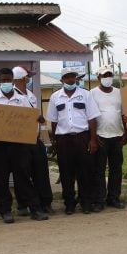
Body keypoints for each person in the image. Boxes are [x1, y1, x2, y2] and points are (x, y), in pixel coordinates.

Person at [0, 68, 48, 223]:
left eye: (8, 80)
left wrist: (39, 120)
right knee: (1, 179)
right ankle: (5, 211)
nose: (6, 83)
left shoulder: (23, 99)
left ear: (13, 80)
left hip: (19, 145)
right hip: (0, 145)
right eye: (3, 80)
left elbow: (32, 117)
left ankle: (34, 209)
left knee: (23, 177)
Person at [46, 67, 100, 214]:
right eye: (67, 77)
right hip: (64, 140)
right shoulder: (55, 97)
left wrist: (93, 139)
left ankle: (86, 202)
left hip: (82, 137)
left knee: (85, 172)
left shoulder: (86, 95)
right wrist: (55, 142)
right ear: (61, 80)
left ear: (76, 78)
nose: (70, 80)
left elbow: (92, 118)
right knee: (66, 173)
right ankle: (69, 203)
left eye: (73, 77)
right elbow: (53, 121)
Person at [12, 65, 54, 215]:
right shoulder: (12, 96)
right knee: (22, 174)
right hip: (20, 141)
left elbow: (36, 117)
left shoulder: (31, 95)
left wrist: (44, 137)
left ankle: (45, 202)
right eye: (28, 76)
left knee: (41, 172)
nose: (30, 79)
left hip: (35, 139)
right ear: (23, 78)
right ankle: (23, 204)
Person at [89, 65, 127, 210]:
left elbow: (124, 115)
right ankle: (99, 200)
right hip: (101, 137)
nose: (107, 78)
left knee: (116, 169)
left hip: (117, 136)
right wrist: (92, 137)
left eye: (109, 75)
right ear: (98, 78)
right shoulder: (92, 94)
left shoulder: (119, 92)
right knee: (98, 170)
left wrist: (126, 133)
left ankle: (114, 198)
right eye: (104, 75)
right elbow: (90, 117)